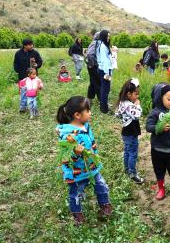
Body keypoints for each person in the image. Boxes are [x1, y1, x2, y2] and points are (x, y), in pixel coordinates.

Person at [56, 96, 112, 225]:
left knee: (101, 186)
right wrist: (75, 153)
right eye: (88, 110)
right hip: (76, 172)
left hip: (91, 166)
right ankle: (78, 216)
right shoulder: (68, 135)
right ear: (77, 115)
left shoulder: (85, 125)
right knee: (76, 193)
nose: (90, 113)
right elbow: (65, 157)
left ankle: (105, 206)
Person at [145, 83, 170, 200]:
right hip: (157, 149)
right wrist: (159, 128)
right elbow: (148, 127)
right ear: (160, 97)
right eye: (169, 99)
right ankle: (161, 188)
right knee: (159, 170)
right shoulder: (154, 112)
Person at [115, 78, 145, 184]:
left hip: (126, 131)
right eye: (136, 94)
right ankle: (132, 173)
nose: (137, 97)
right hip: (131, 132)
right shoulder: (129, 105)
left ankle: (127, 170)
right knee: (133, 153)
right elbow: (137, 116)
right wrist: (137, 105)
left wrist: (124, 118)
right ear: (129, 94)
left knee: (127, 151)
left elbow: (117, 114)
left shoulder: (122, 103)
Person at [13, 38, 43, 113]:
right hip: (22, 76)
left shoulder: (35, 53)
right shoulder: (18, 53)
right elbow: (15, 63)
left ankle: (33, 107)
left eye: (32, 44)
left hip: (33, 78)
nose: (32, 46)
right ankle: (23, 107)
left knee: (33, 92)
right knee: (23, 92)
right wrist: (18, 70)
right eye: (30, 45)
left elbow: (40, 61)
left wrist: (37, 65)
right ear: (25, 46)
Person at [96, 30, 113, 113]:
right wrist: (107, 74)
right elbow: (104, 61)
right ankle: (104, 109)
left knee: (106, 89)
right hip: (104, 71)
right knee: (105, 90)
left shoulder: (104, 45)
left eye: (109, 36)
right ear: (103, 36)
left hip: (105, 70)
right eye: (107, 36)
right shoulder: (103, 47)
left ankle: (104, 105)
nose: (109, 37)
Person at [86, 32, 102, 103]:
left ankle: (89, 98)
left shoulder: (94, 42)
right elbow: (90, 54)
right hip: (94, 66)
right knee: (98, 83)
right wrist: (92, 64)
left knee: (93, 82)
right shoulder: (96, 43)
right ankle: (101, 100)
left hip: (92, 66)